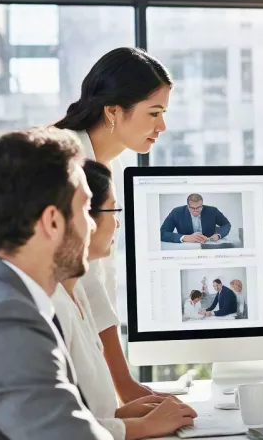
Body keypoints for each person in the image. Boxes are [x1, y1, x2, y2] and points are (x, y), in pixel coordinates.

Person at [54, 46, 172, 404]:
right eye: (154, 113)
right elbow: (86, 281)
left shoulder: (110, 163)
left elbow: (103, 278)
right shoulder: (68, 165)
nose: (162, 126)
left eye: (163, 113)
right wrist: (123, 386)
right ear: (113, 111)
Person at [51, 160, 197, 439]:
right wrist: (145, 426)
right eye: (113, 210)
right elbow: (55, 428)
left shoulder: (77, 291)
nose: (117, 223)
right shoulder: (47, 307)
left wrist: (119, 416)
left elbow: (83, 409)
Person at [0, 128, 112, 438]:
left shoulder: (13, 297)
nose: (92, 225)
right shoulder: (8, 317)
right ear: (52, 221)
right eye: (86, 210)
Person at [160, 193, 231, 243]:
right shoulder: (176, 212)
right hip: (186, 247)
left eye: (198, 207)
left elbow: (226, 224)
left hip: (209, 244)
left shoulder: (213, 211)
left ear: (202, 205)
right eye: (192, 208)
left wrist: (218, 236)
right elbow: (162, 233)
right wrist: (185, 238)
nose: (195, 211)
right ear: (187, 206)